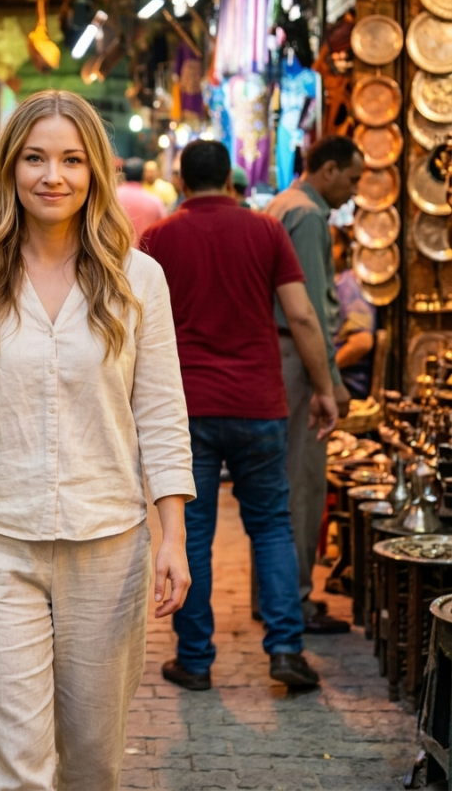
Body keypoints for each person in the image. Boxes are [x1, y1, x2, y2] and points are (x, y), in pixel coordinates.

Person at [0, 90, 195, 791]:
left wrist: (173, 536)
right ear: (8, 169)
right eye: (34, 158)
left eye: (71, 160)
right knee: (15, 764)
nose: (52, 176)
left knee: (92, 759)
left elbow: (160, 413)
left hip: (109, 545)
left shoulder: (139, 282)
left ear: (94, 171)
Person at [142, 139, 337, 692]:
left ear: (182, 182)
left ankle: (196, 660)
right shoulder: (266, 231)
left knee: (192, 535)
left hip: (187, 408)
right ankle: (285, 651)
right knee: (272, 526)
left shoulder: (159, 238)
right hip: (259, 403)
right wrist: (323, 388)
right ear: (231, 179)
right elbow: (301, 315)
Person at [265, 135, 363, 634]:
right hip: (298, 360)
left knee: (287, 480)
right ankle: (294, 598)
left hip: (284, 355)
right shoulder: (306, 215)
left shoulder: (286, 204)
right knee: (302, 480)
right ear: (327, 171)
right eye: (352, 178)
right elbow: (307, 312)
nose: (354, 190)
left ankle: (281, 594)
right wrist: (331, 383)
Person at [331, 226, 376, 398]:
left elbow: (361, 342)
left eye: (331, 244)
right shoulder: (333, 284)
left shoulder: (348, 285)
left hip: (347, 386)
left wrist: (326, 374)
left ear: (342, 249)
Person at [116, 156, 166, 247]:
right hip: (145, 255)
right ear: (143, 175)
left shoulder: (112, 197)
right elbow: (163, 230)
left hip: (114, 254)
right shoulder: (154, 201)